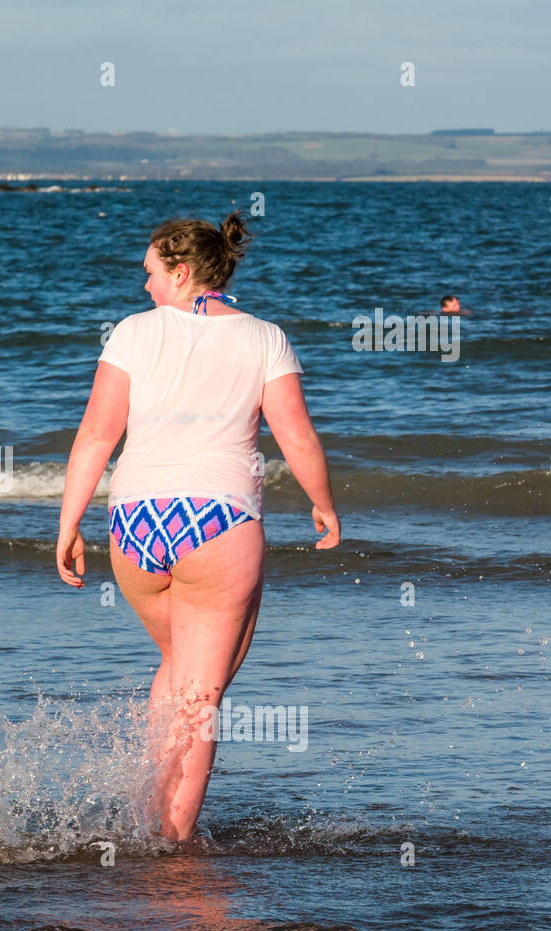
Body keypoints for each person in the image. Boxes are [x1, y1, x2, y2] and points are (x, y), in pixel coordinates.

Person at [56, 213, 341, 843]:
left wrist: (69, 523)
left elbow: (97, 435)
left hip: (133, 525)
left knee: (179, 671)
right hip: (217, 523)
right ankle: (171, 849)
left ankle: (144, 817)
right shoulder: (265, 338)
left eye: (151, 274)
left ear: (181, 273)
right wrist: (322, 504)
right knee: (200, 699)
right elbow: (295, 436)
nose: (146, 286)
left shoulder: (130, 333)